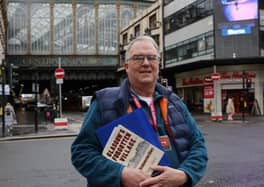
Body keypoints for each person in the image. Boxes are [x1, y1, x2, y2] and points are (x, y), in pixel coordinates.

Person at [71, 35, 208, 187]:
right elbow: (82, 153)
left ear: (158, 64)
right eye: (138, 58)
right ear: (127, 66)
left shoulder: (174, 101)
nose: (146, 63)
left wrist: (185, 174)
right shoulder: (105, 102)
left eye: (152, 57)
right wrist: (120, 174)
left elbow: (198, 146)